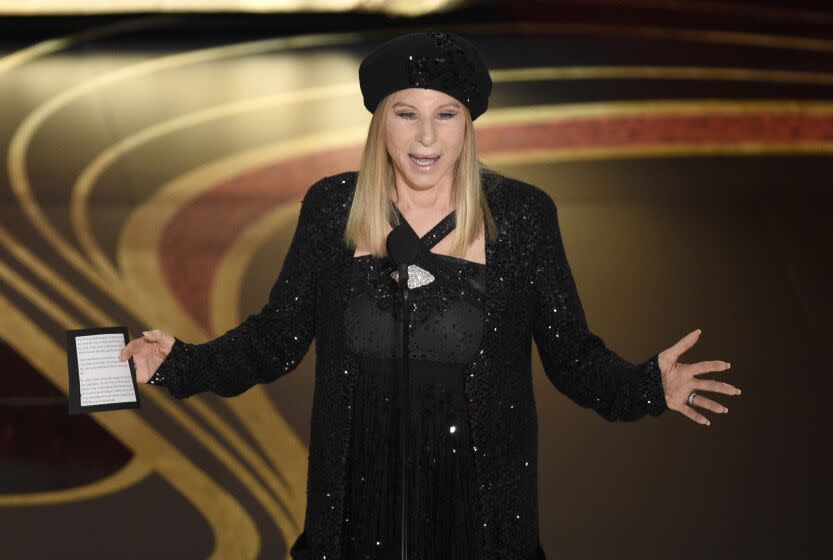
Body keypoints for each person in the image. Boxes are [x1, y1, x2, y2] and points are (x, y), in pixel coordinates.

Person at [120, 30, 741, 560]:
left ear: (468, 122)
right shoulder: (333, 207)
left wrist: (647, 387)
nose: (425, 138)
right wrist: (178, 363)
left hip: (480, 521)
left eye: (445, 114)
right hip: (355, 518)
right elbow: (275, 339)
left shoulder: (521, 217)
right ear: (379, 120)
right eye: (406, 113)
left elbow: (572, 356)